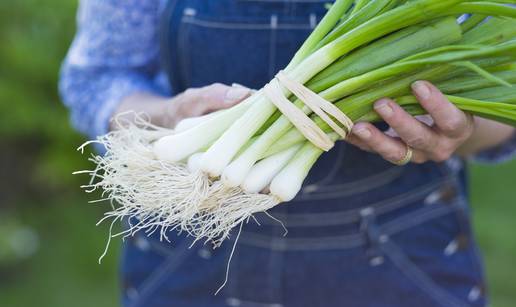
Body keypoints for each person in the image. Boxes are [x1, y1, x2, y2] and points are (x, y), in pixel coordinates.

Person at [59, 1, 516, 307]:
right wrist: (164, 115)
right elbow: (97, 79)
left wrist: (460, 132)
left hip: (402, 256)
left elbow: (501, 103)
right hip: (188, 241)